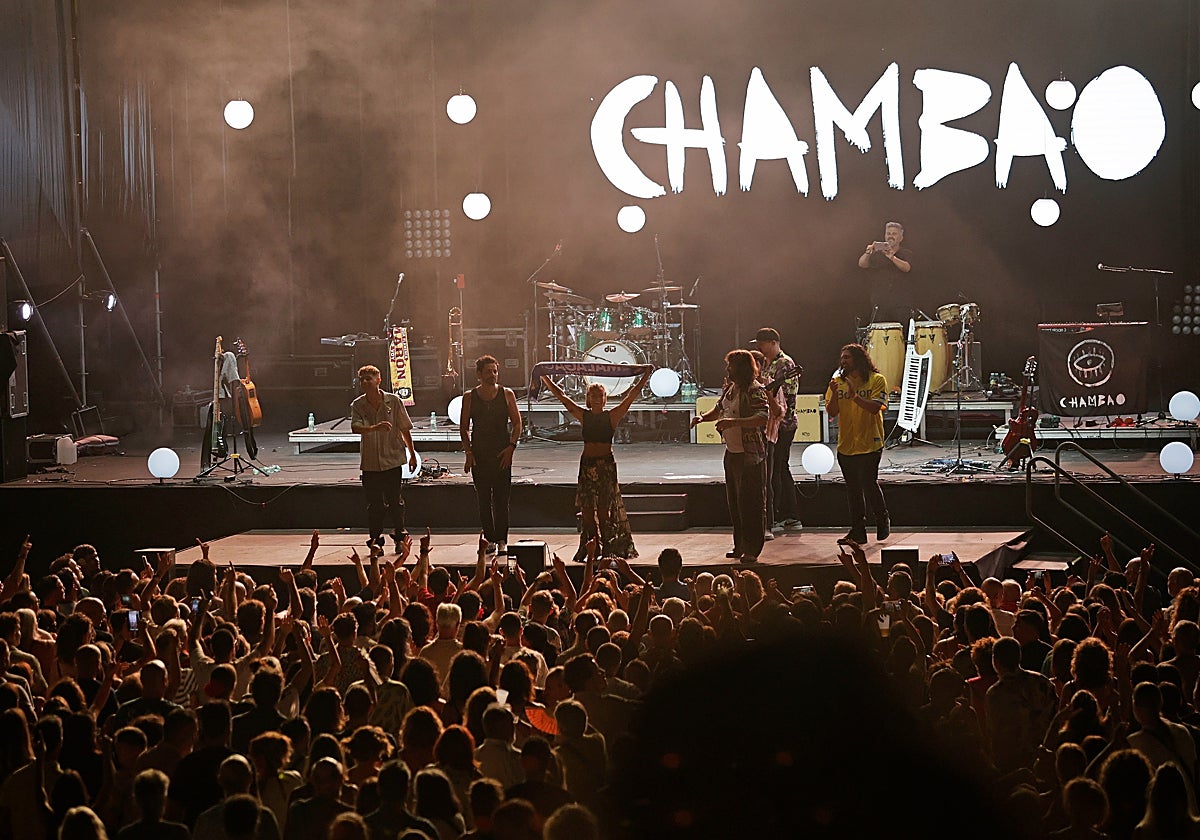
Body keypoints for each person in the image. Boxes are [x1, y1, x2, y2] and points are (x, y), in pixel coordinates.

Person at [540, 368, 652, 561]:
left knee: (603, 510)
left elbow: (631, 397)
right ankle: (594, 544)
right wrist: (544, 377)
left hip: (605, 467)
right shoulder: (584, 415)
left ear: (605, 397)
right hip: (587, 466)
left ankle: (607, 546)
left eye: (600, 395)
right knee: (587, 512)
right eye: (593, 395)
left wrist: (645, 377)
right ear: (588, 398)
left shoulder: (612, 416)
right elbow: (562, 397)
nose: (597, 398)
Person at [691, 350, 768, 563]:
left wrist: (733, 423)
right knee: (735, 503)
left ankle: (752, 548)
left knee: (751, 503)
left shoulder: (755, 390)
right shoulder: (730, 390)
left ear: (741, 368)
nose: (727, 370)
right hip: (732, 453)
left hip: (750, 455)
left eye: (731, 366)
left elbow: (763, 416)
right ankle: (740, 544)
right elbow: (718, 410)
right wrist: (702, 418)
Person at [825, 343, 890, 544]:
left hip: (870, 442)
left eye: (848, 357)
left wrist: (855, 397)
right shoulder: (836, 381)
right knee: (853, 489)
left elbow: (876, 407)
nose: (843, 361)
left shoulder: (876, 380)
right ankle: (858, 530)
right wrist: (836, 394)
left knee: (868, 484)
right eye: (842, 357)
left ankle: (882, 518)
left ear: (859, 359)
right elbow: (831, 412)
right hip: (846, 444)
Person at [459, 355, 523, 555]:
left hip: (501, 452)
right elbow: (463, 428)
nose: (493, 375)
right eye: (488, 371)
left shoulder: (507, 394)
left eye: (495, 371)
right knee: (484, 499)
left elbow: (517, 423)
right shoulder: (470, 396)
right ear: (479, 374)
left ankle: (502, 539)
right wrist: (468, 452)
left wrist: (511, 447)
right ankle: (490, 538)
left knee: (502, 500)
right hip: (480, 453)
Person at [350, 364, 417, 553]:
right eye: (361, 379)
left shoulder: (393, 401)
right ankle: (375, 539)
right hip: (371, 463)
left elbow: (405, 428)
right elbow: (356, 427)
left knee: (395, 500)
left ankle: (399, 536)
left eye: (368, 379)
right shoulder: (358, 404)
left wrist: (412, 454)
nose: (364, 382)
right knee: (374, 504)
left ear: (378, 380)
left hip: (392, 459)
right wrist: (374, 427)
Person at [754, 327, 802, 536]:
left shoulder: (785, 363)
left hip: (784, 423)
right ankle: (785, 515)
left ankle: (788, 516)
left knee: (779, 468)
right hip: (771, 424)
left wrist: (770, 395)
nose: (759, 348)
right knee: (775, 469)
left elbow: (789, 395)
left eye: (762, 344)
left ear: (773, 342)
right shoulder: (767, 364)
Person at [856, 220, 913, 322]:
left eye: (894, 234)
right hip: (879, 304)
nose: (890, 236)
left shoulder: (906, 253)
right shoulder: (877, 254)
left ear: (901, 238)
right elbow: (862, 264)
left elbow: (907, 267)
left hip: (901, 304)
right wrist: (868, 253)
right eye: (888, 233)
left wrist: (892, 258)